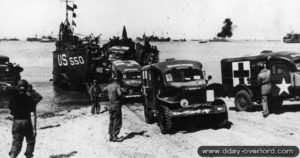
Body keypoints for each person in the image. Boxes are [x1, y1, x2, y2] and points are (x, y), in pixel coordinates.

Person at [4, 80, 42, 158]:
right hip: (26, 120)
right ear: (26, 87)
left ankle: (13, 155)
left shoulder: (13, 98)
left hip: (16, 121)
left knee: (16, 142)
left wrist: (17, 89)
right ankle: (28, 155)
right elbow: (39, 97)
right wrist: (31, 90)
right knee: (30, 140)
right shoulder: (29, 98)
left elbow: (10, 108)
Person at [102, 77, 123, 142]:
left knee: (111, 120)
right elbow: (120, 94)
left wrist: (108, 95)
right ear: (117, 81)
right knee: (117, 121)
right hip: (116, 105)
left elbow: (103, 89)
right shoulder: (117, 86)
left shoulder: (109, 86)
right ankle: (115, 136)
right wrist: (122, 90)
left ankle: (110, 136)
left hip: (110, 105)